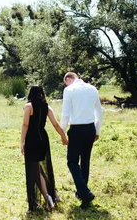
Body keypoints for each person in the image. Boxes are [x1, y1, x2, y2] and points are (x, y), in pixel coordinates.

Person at [21, 85, 68, 211]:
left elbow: (25, 125)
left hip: (32, 139)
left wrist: (21, 142)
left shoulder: (28, 106)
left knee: (33, 170)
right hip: (43, 139)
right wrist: (63, 136)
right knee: (40, 168)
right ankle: (50, 195)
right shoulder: (47, 107)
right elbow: (55, 124)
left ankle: (47, 197)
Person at [60, 71, 103, 209]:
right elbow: (99, 112)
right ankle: (83, 195)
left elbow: (65, 114)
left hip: (77, 129)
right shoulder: (92, 88)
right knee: (85, 160)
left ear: (68, 79)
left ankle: (84, 192)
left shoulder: (69, 90)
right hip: (90, 128)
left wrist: (62, 132)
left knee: (72, 161)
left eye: (65, 82)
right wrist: (97, 130)